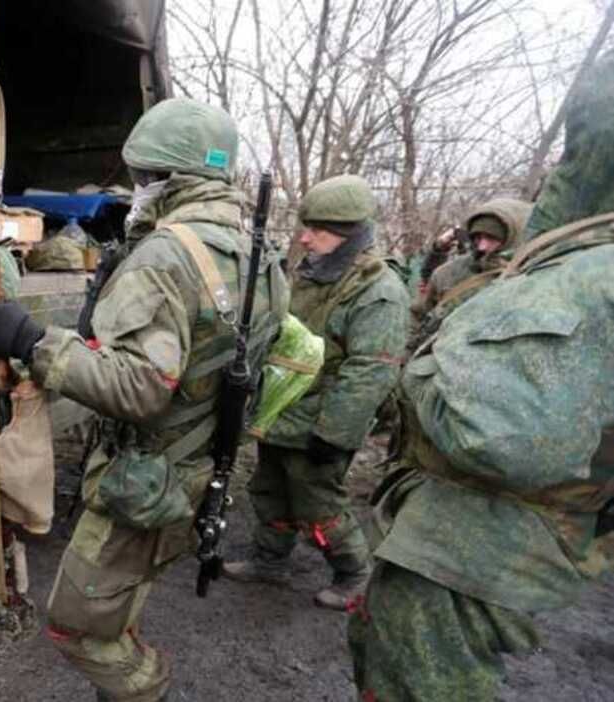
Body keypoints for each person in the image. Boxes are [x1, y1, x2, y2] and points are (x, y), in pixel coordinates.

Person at [0, 97, 288, 701]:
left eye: (141, 176)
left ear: (168, 180)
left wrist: (31, 341)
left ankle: (148, 690)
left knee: (79, 629)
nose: (134, 188)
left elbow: (139, 386)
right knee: (119, 604)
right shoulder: (258, 253)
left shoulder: (168, 255)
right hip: (199, 468)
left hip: (149, 476)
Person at [349, 50, 614, 701]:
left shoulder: (581, 280)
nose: (486, 247)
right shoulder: (466, 274)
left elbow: (505, 436)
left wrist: (422, 372)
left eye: (497, 238)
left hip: (488, 539)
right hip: (459, 519)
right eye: (480, 237)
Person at [223, 174, 409, 610]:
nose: (303, 239)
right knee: (268, 489)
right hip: (283, 410)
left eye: (316, 231)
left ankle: (354, 573)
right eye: (304, 227)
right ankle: (270, 559)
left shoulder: (379, 292)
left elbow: (370, 371)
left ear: (348, 236)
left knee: (319, 503)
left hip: (322, 421)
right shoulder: (314, 275)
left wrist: (335, 434)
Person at [409, 198, 532, 346]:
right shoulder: (447, 273)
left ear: (514, 239)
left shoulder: (534, 276)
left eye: (492, 238)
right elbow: (418, 318)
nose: (482, 246)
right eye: (478, 237)